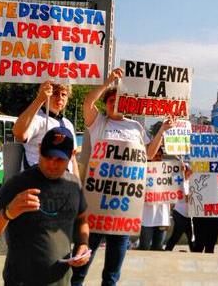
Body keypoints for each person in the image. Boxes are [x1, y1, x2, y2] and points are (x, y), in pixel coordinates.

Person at [72, 68, 173, 286]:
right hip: (97, 201)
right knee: (83, 257)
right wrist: (108, 83)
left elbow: (147, 155)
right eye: (109, 100)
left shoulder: (136, 126)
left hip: (124, 205)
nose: (113, 103)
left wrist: (162, 131)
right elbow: (88, 103)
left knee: (113, 269)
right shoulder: (99, 123)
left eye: (118, 100)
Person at [0, 127, 90, 285]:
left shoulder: (73, 184)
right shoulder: (17, 184)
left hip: (62, 281)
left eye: (59, 159)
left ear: (71, 156)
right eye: (47, 156)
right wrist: (8, 213)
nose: (52, 164)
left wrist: (83, 244)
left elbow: (82, 219)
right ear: (39, 150)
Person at [13, 80, 79, 177]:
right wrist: (39, 99)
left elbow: (72, 159)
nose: (60, 97)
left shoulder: (68, 123)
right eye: (55, 93)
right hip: (39, 181)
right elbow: (19, 133)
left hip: (64, 183)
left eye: (64, 94)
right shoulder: (37, 118)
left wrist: (78, 186)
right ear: (47, 94)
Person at [138, 147, 170, 251]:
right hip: (147, 219)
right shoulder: (143, 170)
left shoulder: (167, 171)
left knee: (158, 248)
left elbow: (175, 189)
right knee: (144, 247)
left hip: (162, 218)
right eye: (156, 155)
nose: (158, 158)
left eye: (160, 156)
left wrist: (181, 173)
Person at [164, 161, 194, 252]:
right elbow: (186, 198)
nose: (190, 173)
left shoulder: (189, 182)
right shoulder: (180, 182)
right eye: (189, 171)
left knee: (191, 236)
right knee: (177, 235)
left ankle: (168, 250)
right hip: (180, 214)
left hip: (188, 215)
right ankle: (168, 250)